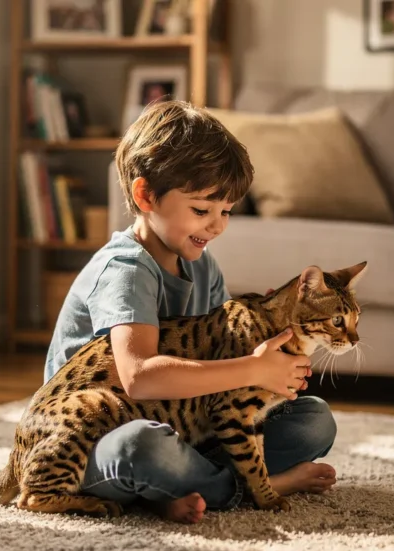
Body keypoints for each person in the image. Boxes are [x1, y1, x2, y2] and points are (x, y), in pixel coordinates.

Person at [44, 101, 338, 524]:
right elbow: (140, 377)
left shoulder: (203, 265)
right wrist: (253, 370)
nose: (217, 226)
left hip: (185, 425)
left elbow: (224, 363)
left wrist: (275, 340)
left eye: (226, 212)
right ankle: (250, 487)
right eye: (202, 210)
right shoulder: (124, 271)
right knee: (142, 448)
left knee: (314, 421)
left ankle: (176, 487)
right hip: (92, 441)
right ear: (146, 195)